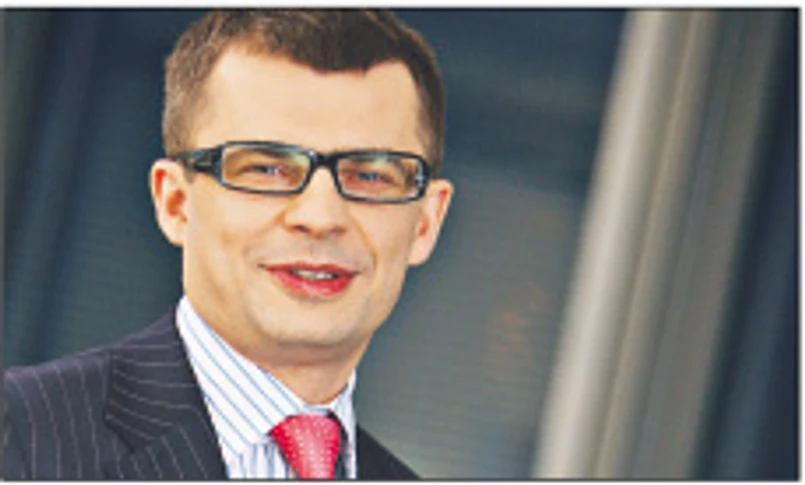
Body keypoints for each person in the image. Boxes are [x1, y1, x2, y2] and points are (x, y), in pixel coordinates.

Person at [3, 9, 453, 480]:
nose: (321, 218)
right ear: (176, 203)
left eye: (371, 175)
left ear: (426, 223)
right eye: (267, 169)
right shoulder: (21, 436)